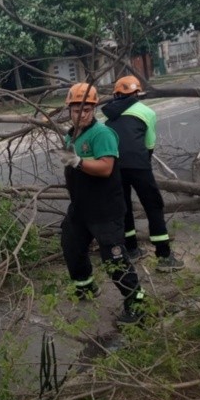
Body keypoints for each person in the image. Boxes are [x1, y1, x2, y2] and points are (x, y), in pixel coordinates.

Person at [55, 82, 146, 325]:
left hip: (105, 209)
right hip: (81, 208)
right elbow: (70, 169)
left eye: (86, 109)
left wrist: (77, 161)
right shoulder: (70, 135)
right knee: (71, 246)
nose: (81, 114)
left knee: (114, 260)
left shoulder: (102, 134)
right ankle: (85, 287)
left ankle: (136, 303)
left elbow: (105, 168)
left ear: (93, 109)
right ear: (69, 110)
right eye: (76, 110)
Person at [102, 75, 184, 273]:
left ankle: (130, 249)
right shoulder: (147, 112)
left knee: (124, 207)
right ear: (137, 93)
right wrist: (141, 165)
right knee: (153, 205)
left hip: (115, 166)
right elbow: (149, 145)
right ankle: (164, 256)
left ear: (116, 94)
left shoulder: (108, 117)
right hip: (138, 165)